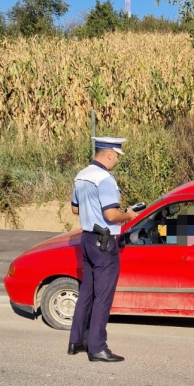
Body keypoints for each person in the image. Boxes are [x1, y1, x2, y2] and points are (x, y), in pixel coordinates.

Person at [67, 136, 137, 362]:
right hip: (105, 242)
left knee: (87, 292)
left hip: (87, 239)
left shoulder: (82, 175)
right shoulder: (105, 179)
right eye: (117, 156)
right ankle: (97, 347)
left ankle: (76, 341)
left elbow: (75, 209)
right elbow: (111, 214)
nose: (117, 160)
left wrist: (93, 211)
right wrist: (129, 215)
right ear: (109, 154)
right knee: (103, 297)